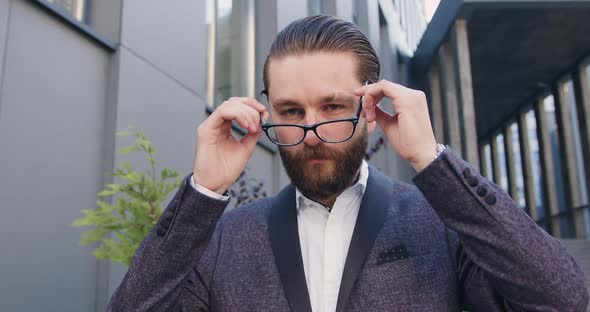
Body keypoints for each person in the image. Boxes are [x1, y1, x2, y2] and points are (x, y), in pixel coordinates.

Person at [108, 15, 588, 311]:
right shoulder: (223, 240)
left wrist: (431, 160)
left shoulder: (435, 224)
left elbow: (561, 299)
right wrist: (201, 193)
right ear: (267, 111)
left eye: (333, 107)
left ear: (372, 110)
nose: (312, 133)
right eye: (292, 112)